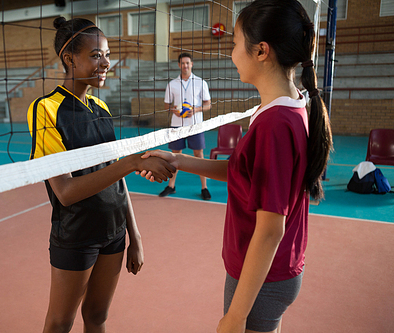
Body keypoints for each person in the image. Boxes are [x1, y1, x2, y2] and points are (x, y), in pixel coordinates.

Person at [139, 1, 332, 332]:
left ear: (261, 51)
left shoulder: (276, 122)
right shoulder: (286, 104)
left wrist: (235, 316)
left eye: (234, 43)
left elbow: (271, 229)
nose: (231, 53)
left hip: (261, 276)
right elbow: (243, 171)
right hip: (268, 272)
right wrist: (179, 160)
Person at [27, 17, 175, 333]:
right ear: (69, 59)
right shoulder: (46, 109)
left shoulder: (101, 109)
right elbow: (65, 191)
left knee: (97, 317)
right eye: (96, 55)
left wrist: (134, 235)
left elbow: (117, 178)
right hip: (76, 235)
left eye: (107, 54)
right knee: (59, 322)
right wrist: (132, 162)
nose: (106, 62)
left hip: (114, 232)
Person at [159, 52, 212, 200]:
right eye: (182, 63)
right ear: (179, 65)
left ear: (192, 64)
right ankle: (171, 186)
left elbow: (208, 105)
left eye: (188, 63)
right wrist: (174, 111)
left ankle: (204, 187)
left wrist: (195, 110)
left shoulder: (201, 82)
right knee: (175, 156)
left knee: (199, 156)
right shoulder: (172, 84)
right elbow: (166, 106)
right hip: (177, 125)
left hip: (195, 125)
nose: (185, 66)